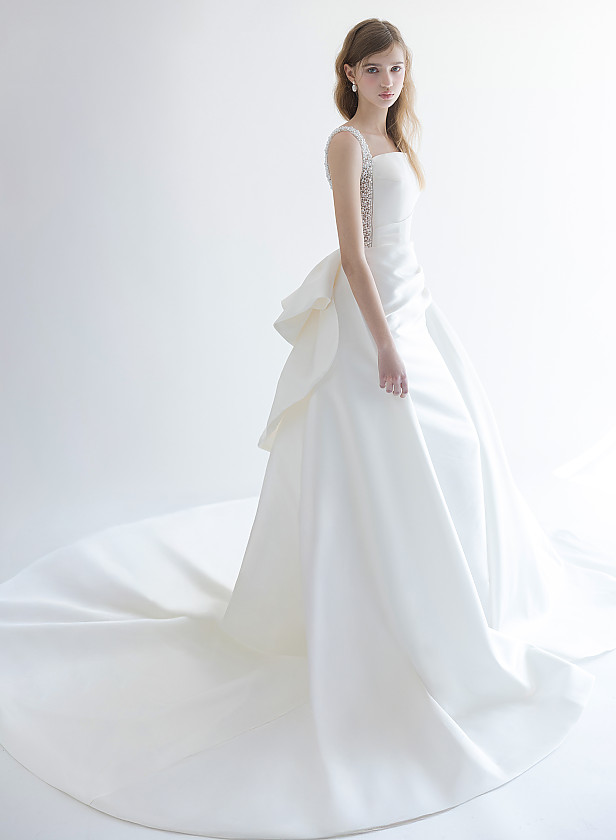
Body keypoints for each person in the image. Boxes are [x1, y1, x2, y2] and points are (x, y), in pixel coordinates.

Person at [1, 16, 616, 840]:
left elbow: (399, 241)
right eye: (375, 69)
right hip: (375, 321)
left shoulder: (397, 137)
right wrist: (384, 343)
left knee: (457, 453)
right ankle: (387, 619)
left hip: (416, 306)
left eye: (397, 67)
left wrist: (415, 319)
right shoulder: (346, 144)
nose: (389, 81)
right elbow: (355, 255)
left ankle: (451, 605)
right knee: (391, 455)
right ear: (350, 73)